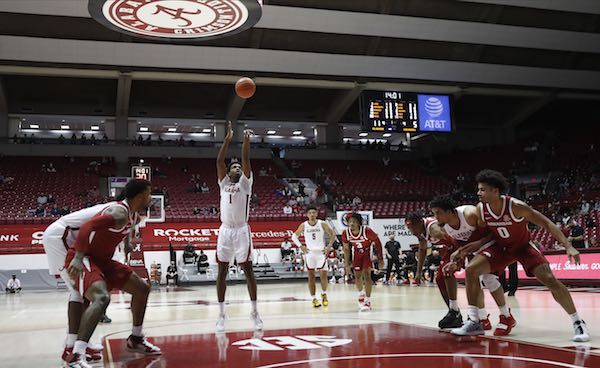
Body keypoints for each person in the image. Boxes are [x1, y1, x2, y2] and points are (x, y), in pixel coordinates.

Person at [451, 169, 589, 342]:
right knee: (471, 270)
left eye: (482, 189)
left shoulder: (516, 206)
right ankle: (474, 322)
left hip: (523, 247)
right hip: (501, 249)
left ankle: (578, 321)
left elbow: (546, 222)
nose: (478, 193)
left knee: (549, 279)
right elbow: (488, 234)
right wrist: (473, 246)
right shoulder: (481, 209)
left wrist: (568, 246)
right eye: (478, 189)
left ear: (495, 190)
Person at [63, 179, 161, 367]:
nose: (151, 197)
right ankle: (76, 354)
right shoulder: (119, 212)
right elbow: (87, 227)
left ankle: (136, 338)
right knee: (101, 298)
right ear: (140, 196)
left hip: (103, 261)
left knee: (142, 289)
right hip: (85, 257)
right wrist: (77, 258)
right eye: (149, 193)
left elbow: (123, 232)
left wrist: (127, 244)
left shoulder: (133, 216)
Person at [43, 201, 120, 363]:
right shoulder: (117, 210)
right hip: (61, 235)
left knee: (81, 290)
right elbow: (88, 228)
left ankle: (80, 342)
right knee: (78, 290)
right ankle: (71, 346)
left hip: (66, 236)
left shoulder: (120, 210)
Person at [429, 195, 516, 336]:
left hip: (494, 244)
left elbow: (494, 230)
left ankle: (488, 318)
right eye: (434, 213)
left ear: (449, 211)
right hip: (475, 250)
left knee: (487, 278)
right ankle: (484, 318)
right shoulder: (445, 228)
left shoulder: (469, 214)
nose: (435, 217)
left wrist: (478, 244)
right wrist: (456, 262)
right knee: (477, 279)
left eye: (438, 212)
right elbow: (460, 244)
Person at [215, 122, 262, 332]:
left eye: (239, 167)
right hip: (225, 230)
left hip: (242, 230)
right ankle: (221, 314)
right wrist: (226, 140)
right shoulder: (224, 183)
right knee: (222, 271)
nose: (237, 168)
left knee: (248, 271)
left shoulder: (245, 184)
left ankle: (254, 312)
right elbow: (219, 161)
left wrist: (245, 140)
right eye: (234, 167)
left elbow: (246, 159)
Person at [406, 213, 462, 329]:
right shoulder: (420, 232)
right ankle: (454, 312)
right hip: (451, 250)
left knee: (449, 273)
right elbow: (422, 249)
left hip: (460, 247)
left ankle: (474, 315)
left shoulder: (434, 229)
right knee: (440, 279)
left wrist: (462, 254)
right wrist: (418, 272)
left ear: (420, 222)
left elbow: (456, 239)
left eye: (413, 228)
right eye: (409, 228)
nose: (412, 231)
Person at [291, 206, 337, 308]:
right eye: (310, 213)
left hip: (321, 253)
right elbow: (294, 236)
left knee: (323, 276)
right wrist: (301, 246)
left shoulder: (322, 224)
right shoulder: (304, 225)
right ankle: (313, 299)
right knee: (311, 277)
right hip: (310, 254)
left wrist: (329, 246)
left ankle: (324, 294)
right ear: (307, 215)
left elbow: (333, 234)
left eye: (313, 212)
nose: (312, 214)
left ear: (316, 214)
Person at [341, 212, 383, 312]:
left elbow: (378, 243)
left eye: (354, 222)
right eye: (350, 222)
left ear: (359, 223)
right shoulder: (345, 233)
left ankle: (368, 300)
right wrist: (347, 264)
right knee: (357, 276)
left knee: (367, 276)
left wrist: (380, 258)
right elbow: (346, 249)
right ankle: (361, 294)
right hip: (356, 254)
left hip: (367, 253)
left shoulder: (367, 231)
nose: (351, 224)